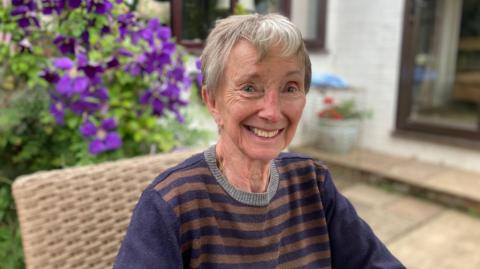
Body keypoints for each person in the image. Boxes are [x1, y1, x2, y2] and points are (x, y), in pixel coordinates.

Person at [113, 14, 405, 269]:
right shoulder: (170, 204)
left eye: (290, 87)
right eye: (250, 87)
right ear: (212, 101)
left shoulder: (313, 182)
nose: (272, 111)